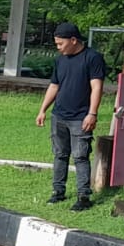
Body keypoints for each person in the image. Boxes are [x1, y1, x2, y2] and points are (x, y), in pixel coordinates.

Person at [36, 22, 106, 211]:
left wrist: (92, 113)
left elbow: (96, 87)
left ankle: (83, 196)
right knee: (60, 154)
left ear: (73, 40)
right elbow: (54, 86)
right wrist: (43, 109)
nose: (58, 47)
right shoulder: (60, 60)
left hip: (80, 117)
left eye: (60, 44)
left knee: (80, 156)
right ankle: (58, 191)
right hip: (59, 115)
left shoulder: (93, 58)